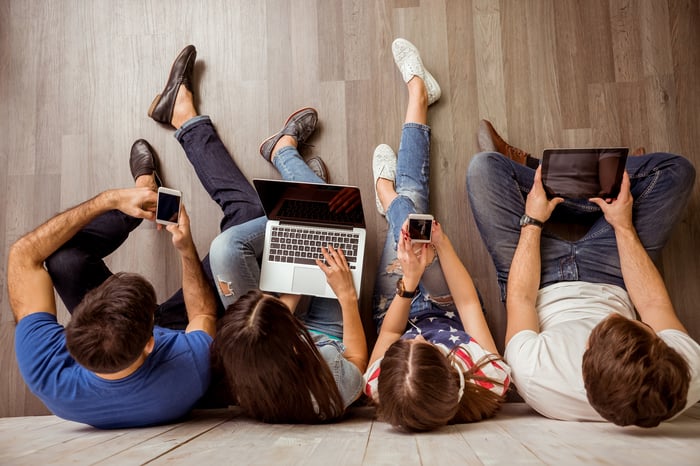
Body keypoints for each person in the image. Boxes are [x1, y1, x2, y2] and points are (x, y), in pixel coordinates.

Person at [8, 44, 262, 429]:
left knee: (63, 259)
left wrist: (111, 200)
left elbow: (23, 255)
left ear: (71, 335)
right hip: (183, 329)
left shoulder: (47, 373)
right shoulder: (186, 368)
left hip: (123, 340)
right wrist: (185, 247)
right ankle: (183, 116)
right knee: (249, 220)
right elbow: (203, 314)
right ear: (150, 340)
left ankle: (144, 190)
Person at [467, 121, 700, 427]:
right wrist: (623, 225)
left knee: (484, 169)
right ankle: (608, 188)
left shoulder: (537, 377)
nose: (615, 316)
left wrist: (534, 220)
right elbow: (653, 305)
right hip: (615, 274)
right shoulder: (683, 374)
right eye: (638, 328)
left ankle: (558, 179)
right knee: (677, 170)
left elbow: (521, 299)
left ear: (585, 359)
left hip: (539, 281)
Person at [362, 38, 510, 433]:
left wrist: (408, 286)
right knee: (414, 221)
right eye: (424, 347)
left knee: (408, 219)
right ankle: (392, 192)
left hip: (396, 304)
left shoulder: (380, 385)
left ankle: (391, 198)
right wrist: (441, 245)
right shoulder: (488, 377)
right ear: (449, 367)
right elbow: (468, 306)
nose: (416, 337)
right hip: (447, 303)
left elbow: (393, 330)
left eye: (404, 352)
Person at [206, 105, 368, 423]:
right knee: (336, 221)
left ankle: (304, 196)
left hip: (266, 331)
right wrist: (347, 297)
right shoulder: (329, 386)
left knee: (224, 249)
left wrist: (290, 292)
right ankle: (290, 165)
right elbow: (357, 360)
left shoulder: (240, 360)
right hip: (329, 335)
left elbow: (263, 322)